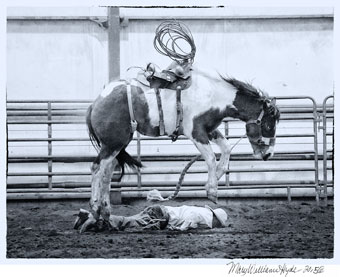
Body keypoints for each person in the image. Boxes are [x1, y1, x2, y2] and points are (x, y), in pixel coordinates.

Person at [74, 204, 228, 233]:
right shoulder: (204, 216)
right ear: (215, 218)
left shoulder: (201, 211)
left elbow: (191, 216)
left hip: (160, 212)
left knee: (128, 221)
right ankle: (92, 219)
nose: (216, 226)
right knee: (128, 223)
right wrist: (182, 228)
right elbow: (192, 218)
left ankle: (87, 216)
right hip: (161, 217)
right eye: (218, 224)